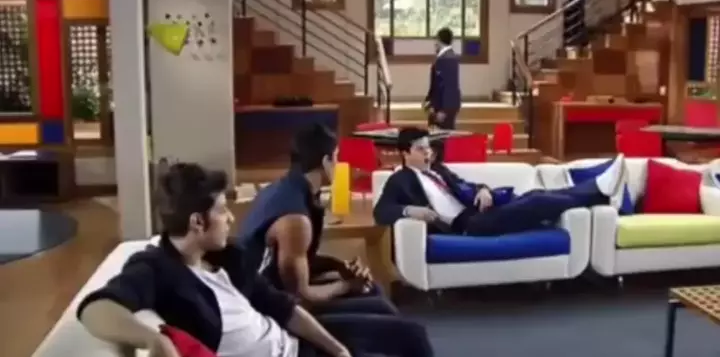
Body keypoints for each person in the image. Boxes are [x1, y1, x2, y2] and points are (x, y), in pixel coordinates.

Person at [76, 162, 432, 357]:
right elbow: (95, 308)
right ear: (197, 222)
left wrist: (337, 350)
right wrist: (153, 341)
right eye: (222, 211)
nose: (231, 218)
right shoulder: (156, 268)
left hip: (292, 341)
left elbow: (280, 306)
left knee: (410, 335)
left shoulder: (226, 256)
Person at [235, 123, 397, 316]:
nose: (339, 164)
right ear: (325, 162)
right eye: (336, 158)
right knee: (384, 311)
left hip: (278, 291)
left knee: (373, 291)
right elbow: (301, 298)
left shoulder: (282, 188)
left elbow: (295, 263)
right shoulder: (295, 220)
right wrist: (347, 285)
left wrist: (340, 267)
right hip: (269, 309)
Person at [374, 127, 624, 236]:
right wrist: (410, 211)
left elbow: (466, 185)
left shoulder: (439, 170)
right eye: (420, 149)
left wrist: (483, 190)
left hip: (481, 210)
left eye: (428, 148)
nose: (428, 153)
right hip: (468, 225)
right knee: (536, 201)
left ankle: (601, 192)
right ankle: (599, 188)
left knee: (534, 194)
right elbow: (381, 211)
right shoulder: (400, 180)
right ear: (405, 153)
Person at [423, 27, 460, 162]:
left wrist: (444, 110)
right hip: (438, 106)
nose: (434, 44)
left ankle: (441, 166)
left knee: (441, 142)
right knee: (434, 141)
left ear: (439, 40)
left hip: (444, 107)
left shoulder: (448, 58)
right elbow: (437, 83)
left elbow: (449, 86)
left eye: (436, 40)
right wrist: (429, 100)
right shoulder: (443, 57)